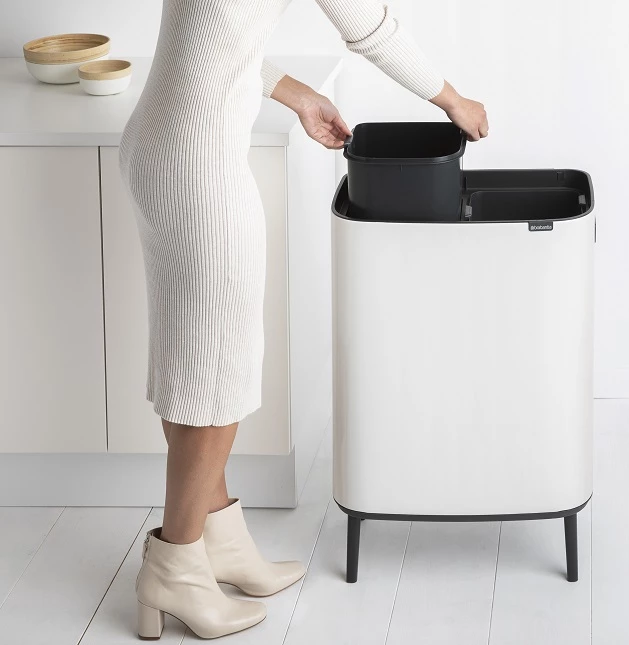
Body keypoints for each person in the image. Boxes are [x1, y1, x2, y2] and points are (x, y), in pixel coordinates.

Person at [118, 0, 488, 639]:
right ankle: (175, 565)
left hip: (158, 144)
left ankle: (218, 537)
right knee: (216, 370)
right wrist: (455, 101)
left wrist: (297, 94)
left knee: (191, 355)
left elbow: (209, 36)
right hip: (199, 163)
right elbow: (370, 27)